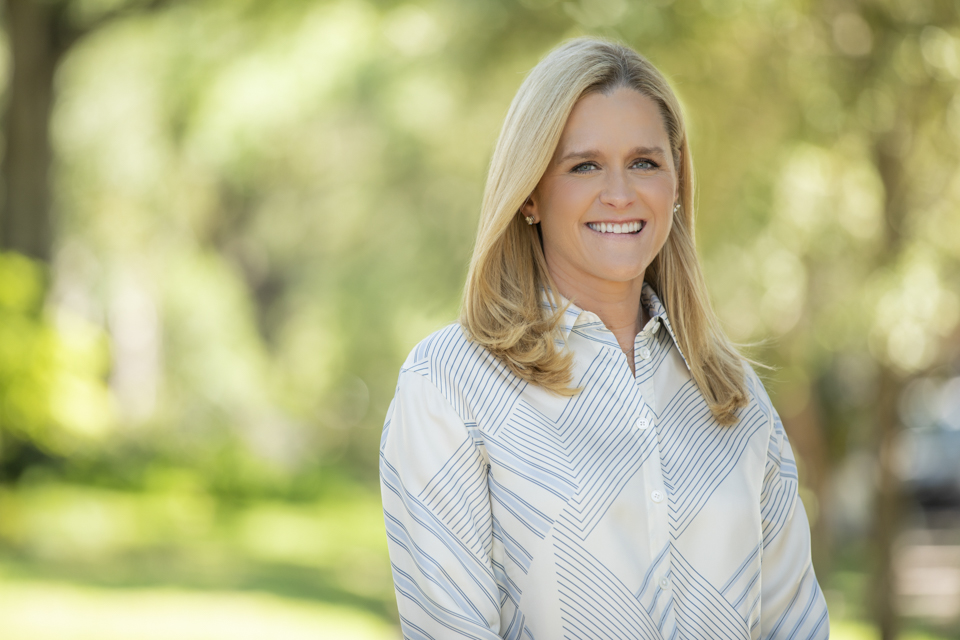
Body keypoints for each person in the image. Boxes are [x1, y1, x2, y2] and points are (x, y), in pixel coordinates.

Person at [379, 37, 829, 639]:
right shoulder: (450, 386)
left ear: (675, 186)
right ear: (531, 193)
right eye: (584, 164)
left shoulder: (737, 398)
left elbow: (794, 626)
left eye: (645, 162)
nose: (620, 192)